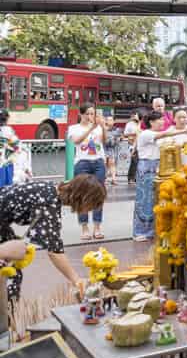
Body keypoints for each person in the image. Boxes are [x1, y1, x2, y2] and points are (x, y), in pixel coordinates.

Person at [0, 174, 106, 300]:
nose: (89, 211)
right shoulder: (49, 203)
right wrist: (77, 280)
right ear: (83, 198)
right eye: (92, 206)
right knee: (9, 275)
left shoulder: (50, 190)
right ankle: (6, 315)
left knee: (11, 266)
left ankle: (7, 313)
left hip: (3, 224)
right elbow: (54, 251)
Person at [132, 111, 187, 242]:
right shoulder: (146, 134)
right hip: (146, 168)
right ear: (151, 122)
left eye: (163, 120)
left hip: (158, 167)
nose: (163, 122)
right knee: (145, 200)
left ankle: (152, 230)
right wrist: (182, 131)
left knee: (155, 199)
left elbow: (170, 144)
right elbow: (165, 134)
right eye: (160, 120)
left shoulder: (158, 136)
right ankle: (139, 231)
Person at [67, 105, 107, 241]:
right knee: (82, 194)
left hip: (98, 162)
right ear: (81, 114)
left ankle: (97, 227)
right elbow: (76, 141)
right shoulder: (74, 128)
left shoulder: (98, 127)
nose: (90, 117)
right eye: (88, 114)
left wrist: (104, 127)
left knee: (99, 194)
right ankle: (84, 228)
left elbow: (104, 141)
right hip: (82, 162)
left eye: (92, 114)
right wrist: (91, 128)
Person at [124, 110, 141, 184]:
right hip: (132, 144)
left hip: (141, 144)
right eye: (133, 115)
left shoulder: (141, 123)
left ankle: (137, 177)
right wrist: (134, 133)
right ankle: (131, 178)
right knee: (134, 161)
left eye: (136, 115)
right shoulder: (130, 124)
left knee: (140, 162)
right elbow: (125, 134)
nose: (134, 116)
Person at [102, 115, 120, 186]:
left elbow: (118, 138)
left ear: (114, 121)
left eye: (111, 120)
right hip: (103, 148)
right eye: (108, 120)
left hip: (111, 148)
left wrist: (115, 140)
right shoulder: (102, 129)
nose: (109, 121)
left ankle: (113, 179)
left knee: (112, 163)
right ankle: (104, 178)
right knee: (104, 164)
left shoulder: (116, 129)